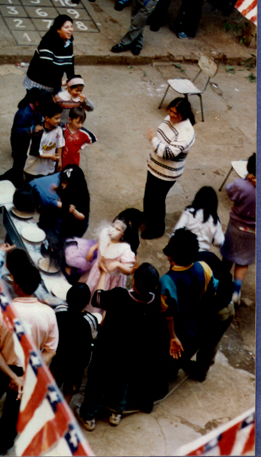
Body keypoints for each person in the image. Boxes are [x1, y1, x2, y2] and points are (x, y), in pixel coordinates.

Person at [0, 244, 58, 456]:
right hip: (27, 373)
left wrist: (12, 377)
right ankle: (1, 446)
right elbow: (50, 350)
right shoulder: (49, 314)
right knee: (13, 413)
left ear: (16, 285)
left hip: (0, 369)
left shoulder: (4, 313)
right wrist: (24, 377)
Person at [75, 262, 163, 431]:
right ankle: (116, 411)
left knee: (97, 382)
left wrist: (103, 274)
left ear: (134, 281)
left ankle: (88, 415)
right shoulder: (153, 301)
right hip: (132, 353)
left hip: (107, 349)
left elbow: (97, 298)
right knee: (122, 381)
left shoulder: (120, 296)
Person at [160, 228, 230, 382]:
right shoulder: (205, 261)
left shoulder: (176, 277)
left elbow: (178, 308)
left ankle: (197, 371)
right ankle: (199, 368)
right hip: (222, 301)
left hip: (218, 310)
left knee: (198, 339)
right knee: (210, 341)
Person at [142, 97, 195, 239]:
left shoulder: (186, 132)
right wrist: (156, 143)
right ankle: (147, 219)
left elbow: (168, 153)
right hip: (155, 166)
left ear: (183, 115)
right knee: (149, 197)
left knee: (157, 200)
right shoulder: (170, 118)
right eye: (170, 111)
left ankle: (157, 228)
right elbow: (162, 140)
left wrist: (153, 139)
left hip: (167, 173)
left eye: (175, 113)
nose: (171, 115)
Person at [79, 208, 143, 313]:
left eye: (118, 229)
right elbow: (102, 241)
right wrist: (93, 248)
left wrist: (118, 264)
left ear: (124, 233)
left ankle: (96, 314)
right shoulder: (107, 234)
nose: (112, 230)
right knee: (90, 289)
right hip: (97, 270)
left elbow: (129, 270)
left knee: (102, 300)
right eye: (113, 226)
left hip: (111, 278)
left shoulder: (126, 249)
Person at [50, 283, 98, 403]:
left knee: (53, 384)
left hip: (58, 358)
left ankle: (48, 409)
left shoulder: (59, 310)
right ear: (87, 302)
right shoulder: (90, 320)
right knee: (69, 390)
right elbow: (94, 337)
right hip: (77, 364)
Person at [0, 87, 50, 187]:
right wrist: (32, 129)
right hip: (19, 144)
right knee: (18, 166)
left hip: (27, 143)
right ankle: (4, 181)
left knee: (19, 166)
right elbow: (17, 132)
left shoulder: (37, 110)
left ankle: (9, 179)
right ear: (37, 103)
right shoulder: (24, 114)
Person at [221, 153, 256, 305]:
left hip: (236, 227)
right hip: (253, 232)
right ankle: (236, 292)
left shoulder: (241, 185)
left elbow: (229, 192)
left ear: (248, 167)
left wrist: (244, 180)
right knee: (242, 261)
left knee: (228, 255)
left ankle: (221, 283)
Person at [24, 15, 75, 94]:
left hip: (53, 83)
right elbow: (46, 70)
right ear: (58, 29)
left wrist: (72, 79)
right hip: (38, 83)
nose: (70, 30)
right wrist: (59, 83)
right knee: (36, 105)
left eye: (71, 27)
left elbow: (69, 65)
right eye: (66, 27)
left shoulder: (68, 44)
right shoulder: (47, 43)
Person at [172, 186, 224, 251]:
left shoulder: (189, 212)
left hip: (184, 249)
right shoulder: (215, 219)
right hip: (202, 254)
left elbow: (177, 230)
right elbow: (219, 241)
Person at [23, 101, 65, 181]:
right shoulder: (38, 132)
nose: (59, 120)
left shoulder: (58, 129)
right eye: (56, 118)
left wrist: (59, 161)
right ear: (47, 118)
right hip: (33, 169)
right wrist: (51, 156)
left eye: (59, 118)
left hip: (49, 168)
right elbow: (35, 152)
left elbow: (60, 145)